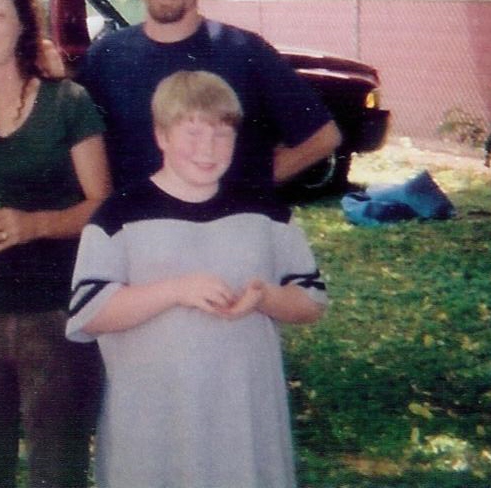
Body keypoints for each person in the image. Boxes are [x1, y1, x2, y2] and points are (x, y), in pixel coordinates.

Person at [67, 71, 328, 488]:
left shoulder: (267, 212)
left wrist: (264, 296)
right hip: (153, 419)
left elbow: (311, 301)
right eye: (192, 133)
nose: (207, 149)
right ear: (161, 136)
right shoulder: (118, 215)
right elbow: (89, 313)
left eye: (221, 134)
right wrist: (175, 290)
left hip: (244, 415)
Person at [0, 0, 111, 488]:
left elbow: (103, 206)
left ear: (23, 25)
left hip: (55, 313)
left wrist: (33, 225)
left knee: (58, 471)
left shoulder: (67, 104)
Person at [78, 0, 342, 196]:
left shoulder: (244, 51)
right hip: (138, 222)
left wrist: (249, 190)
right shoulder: (105, 57)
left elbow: (323, 137)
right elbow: (76, 147)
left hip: (227, 223)